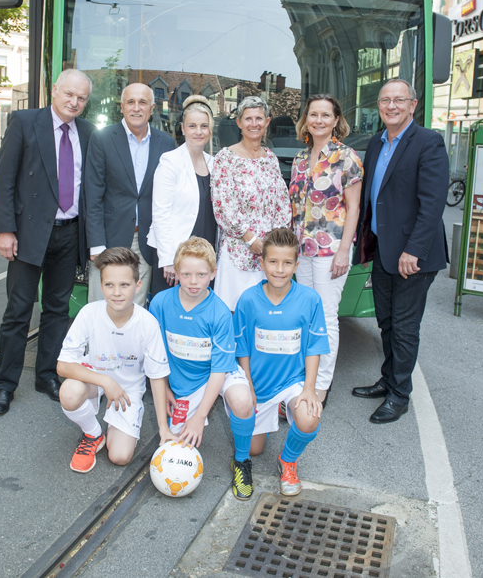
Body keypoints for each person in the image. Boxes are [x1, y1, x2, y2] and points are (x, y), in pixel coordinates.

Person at [0, 69, 95, 415]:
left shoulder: (88, 132)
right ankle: (5, 384)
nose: (74, 102)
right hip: (29, 234)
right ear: (54, 91)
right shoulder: (24, 122)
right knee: (18, 311)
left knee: (57, 309)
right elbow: (4, 179)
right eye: (69, 94)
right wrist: (5, 229)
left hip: (69, 233)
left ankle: (46, 374)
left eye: (81, 98)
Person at [352, 79, 449, 423]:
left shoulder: (428, 142)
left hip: (413, 255)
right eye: (384, 101)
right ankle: (388, 378)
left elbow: (432, 204)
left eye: (399, 100)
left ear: (413, 104)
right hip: (383, 249)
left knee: (405, 326)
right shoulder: (377, 144)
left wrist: (414, 251)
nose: (391, 106)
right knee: (387, 321)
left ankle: (399, 395)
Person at [150, 237, 256, 500]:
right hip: (184, 383)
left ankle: (242, 461)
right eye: (186, 274)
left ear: (213, 274)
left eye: (201, 274)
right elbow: (156, 356)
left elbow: (219, 370)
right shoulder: (161, 304)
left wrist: (199, 417)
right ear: (176, 271)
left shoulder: (219, 313)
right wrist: (164, 388)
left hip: (217, 374)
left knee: (243, 402)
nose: (193, 281)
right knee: (174, 445)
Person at [57, 247, 175, 472]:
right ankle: (93, 433)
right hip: (95, 381)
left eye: (125, 285)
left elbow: (157, 377)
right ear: (101, 286)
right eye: (109, 285)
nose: (117, 292)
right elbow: (63, 365)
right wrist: (105, 381)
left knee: (120, 456)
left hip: (127, 389)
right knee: (69, 393)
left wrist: (163, 429)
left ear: (138, 286)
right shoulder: (89, 313)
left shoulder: (148, 323)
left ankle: (116, 425)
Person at [233, 228, 329, 496]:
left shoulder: (310, 300)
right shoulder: (248, 300)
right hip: (260, 386)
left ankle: (288, 460)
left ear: (297, 265)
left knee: (310, 417)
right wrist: (248, 386)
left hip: (292, 382)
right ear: (261, 263)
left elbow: (314, 348)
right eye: (273, 262)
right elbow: (242, 349)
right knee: (254, 449)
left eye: (287, 263)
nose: (279, 269)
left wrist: (310, 388)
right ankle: (248, 448)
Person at [289, 94, 363, 406]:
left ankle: (321, 385)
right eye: (313, 115)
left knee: (326, 317)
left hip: (331, 250)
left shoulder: (347, 158)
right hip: (302, 251)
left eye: (325, 115)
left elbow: (354, 208)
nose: (318, 120)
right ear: (305, 120)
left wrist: (345, 250)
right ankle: (305, 379)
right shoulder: (299, 159)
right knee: (305, 316)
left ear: (336, 121)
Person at [85, 83, 175, 307]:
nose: (137, 108)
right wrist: (96, 244)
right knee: (102, 304)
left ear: (152, 108)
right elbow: (92, 195)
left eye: (143, 102)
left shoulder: (166, 143)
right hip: (109, 238)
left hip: (146, 239)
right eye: (131, 102)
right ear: (122, 107)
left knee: (135, 305)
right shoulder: (102, 139)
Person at [211, 96, 291, 312]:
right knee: (233, 312)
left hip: (269, 253)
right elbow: (223, 206)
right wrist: (252, 240)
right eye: (248, 119)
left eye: (259, 118)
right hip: (238, 251)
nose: (254, 124)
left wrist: (273, 242)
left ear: (267, 122)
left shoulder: (271, 158)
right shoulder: (225, 158)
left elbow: (282, 203)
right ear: (239, 123)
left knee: (264, 314)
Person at [147, 95, 216, 296]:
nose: (198, 131)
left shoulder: (215, 163)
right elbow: (160, 213)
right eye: (192, 126)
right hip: (175, 253)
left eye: (204, 126)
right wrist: (168, 259)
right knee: (171, 310)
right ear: (183, 128)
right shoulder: (170, 161)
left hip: (206, 253)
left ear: (210, 130)